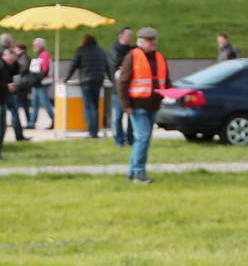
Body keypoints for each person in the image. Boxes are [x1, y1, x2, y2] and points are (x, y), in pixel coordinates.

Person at [116, 27, 170, 184]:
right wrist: (126, 106)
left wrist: (173, 93)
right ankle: (139, 173)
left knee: (143, 138)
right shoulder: (132, 57)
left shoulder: (160, 57)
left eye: (154, 39)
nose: (153, 42)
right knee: (143, 137)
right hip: (137, 105)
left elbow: (166, 80)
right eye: (149, 40)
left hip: (153, 105)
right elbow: (122, 83)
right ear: (140, 42)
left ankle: (132, 173)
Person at [64, 33, 109, 139]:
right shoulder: (101, 50)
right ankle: (96, 131)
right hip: (98, 81)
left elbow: (74, 65)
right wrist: (111, 79)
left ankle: (91, 131)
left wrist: (65, 78)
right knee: (96, 106)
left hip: (86, 81)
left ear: (84, 40)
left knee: (88, 106)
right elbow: (106, 65)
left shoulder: (82, 50)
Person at [107, 27, 135, 147]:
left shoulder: (132, 49)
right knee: (118, 116)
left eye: (131, 35)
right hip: (118, 89)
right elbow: (116, 63)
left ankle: (130, 137)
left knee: (131, 115)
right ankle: (119, 139)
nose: (130, 38)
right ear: (121, 36)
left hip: (131, 88)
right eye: (128, 35)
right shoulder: (114, 49)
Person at [0, 33, 25, 141]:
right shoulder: (8, 54)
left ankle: (0, 138)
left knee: (2, 114)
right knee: (13, 111)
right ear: (8, 42)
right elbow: (16, 70)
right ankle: (19, 135)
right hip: (7, 87)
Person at [29, 37, 54, 128]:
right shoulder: (39, 55)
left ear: (41, 45)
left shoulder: (44, 54)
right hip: (38, 83)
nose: (34, 46)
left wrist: (35, 79)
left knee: (44, 102)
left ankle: (54, 119)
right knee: (35, 103)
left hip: (42, 83)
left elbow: (44, 70)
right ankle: (32, 123)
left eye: (36, 44)